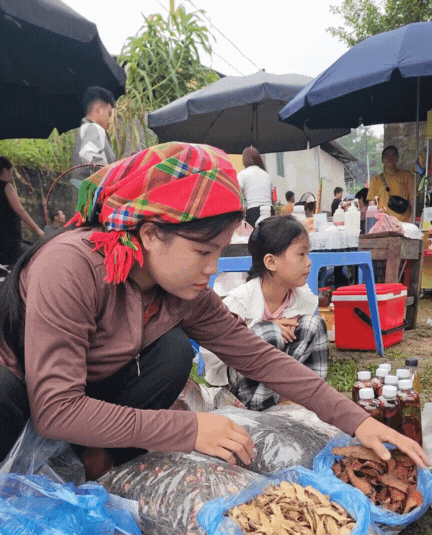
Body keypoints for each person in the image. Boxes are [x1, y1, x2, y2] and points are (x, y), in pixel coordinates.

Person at [0, 143, 427, 481]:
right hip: (27, 390)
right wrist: (188, 431)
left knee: (171, 353)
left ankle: (100, 450)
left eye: (220, 251)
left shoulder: (184, 288)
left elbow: (257, 356)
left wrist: (357, 421)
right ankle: (66, 457)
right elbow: (56, 408)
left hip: (93, 384)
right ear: (150, 234)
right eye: (203, 251)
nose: (212, 268)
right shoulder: (73, 266)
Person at [201, 215, 329, 410]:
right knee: (269, 333)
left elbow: (302, 343)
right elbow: (209, 351)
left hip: (278, 380)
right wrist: (260, 329)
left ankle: (308, 399)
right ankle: (260, 411)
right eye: (301, 255)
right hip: (240, 389)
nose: (309, 262)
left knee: (313, 325)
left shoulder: (302, 298)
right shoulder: (241, 300)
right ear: (271, 262)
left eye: (308, 254)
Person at [0, 157, 44, 267]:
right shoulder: (7, 187)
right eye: (10, 171)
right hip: (9, 238)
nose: (11, 174)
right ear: (4, 170)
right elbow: (20, 210)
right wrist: (37, 229)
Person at [72, 86, 116, 170]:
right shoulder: (94, 127)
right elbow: (88, 153)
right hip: (95, 183)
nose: (110, 120)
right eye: (109, 114)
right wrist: (106, 174)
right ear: (99, 109)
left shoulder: (84, 129)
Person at [368, 145, 415, 223]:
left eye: (393, 154)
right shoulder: (376, 180)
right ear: (382, 160)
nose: (390, 157)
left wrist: (412, 218)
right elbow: (372, 203)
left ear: (397, 159)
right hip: (384, 223)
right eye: (387, 154)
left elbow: (412, 200)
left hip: (404, 222)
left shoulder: (407, 175)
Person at [237, 147, 274, 227]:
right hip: (269, 210)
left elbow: (237, 193)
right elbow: (272, 198)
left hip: (254, 212)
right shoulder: (266, 174)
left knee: (254, 237)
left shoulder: (242, 174)